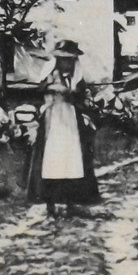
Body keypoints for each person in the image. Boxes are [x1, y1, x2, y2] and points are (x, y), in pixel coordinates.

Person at [26, 39, 100, 217]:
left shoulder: (77, 78)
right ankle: (50, 204)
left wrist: (71, 93)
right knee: (50, 160)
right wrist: (53, 86)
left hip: (71, 122)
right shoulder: (51, 74)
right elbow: (40, 88)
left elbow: (81, 97)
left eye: (69, 60)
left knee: (72, 159)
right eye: (62, 59)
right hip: (53, 121)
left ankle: (70, 202)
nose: (65, 63)